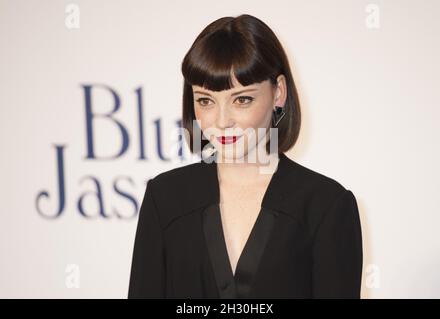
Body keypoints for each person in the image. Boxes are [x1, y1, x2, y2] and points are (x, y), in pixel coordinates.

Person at [128, 14, 363, 299]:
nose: (222, 120)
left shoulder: (325, 206)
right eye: (205, 100)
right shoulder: (165, 198)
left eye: (242, 99)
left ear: (278, 93)